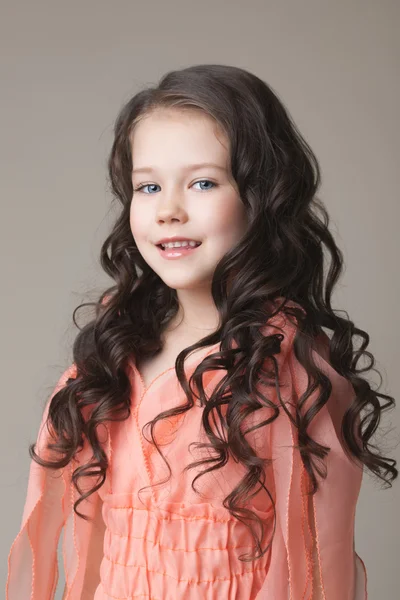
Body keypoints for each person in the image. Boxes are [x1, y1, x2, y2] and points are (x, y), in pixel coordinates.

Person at [5, 63, 397, 600]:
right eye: (148, 186)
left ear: (260, 198)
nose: (168, 210)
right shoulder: (112, 352)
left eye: (203, 182)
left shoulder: (286, 370)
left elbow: (313, 572)